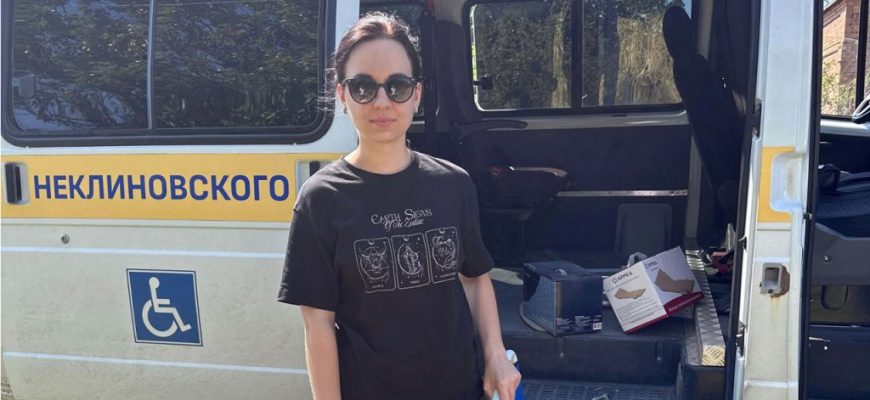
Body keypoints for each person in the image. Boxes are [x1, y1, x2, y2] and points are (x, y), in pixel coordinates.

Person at [277, 12, 521, 400]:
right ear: (342, 96)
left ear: (416, 94)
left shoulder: (453, 183)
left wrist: (495, 356)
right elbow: (318, 324)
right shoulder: (321, 199)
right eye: (363, 87)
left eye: (398, 86)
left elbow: (475, 279)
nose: (382, 102)